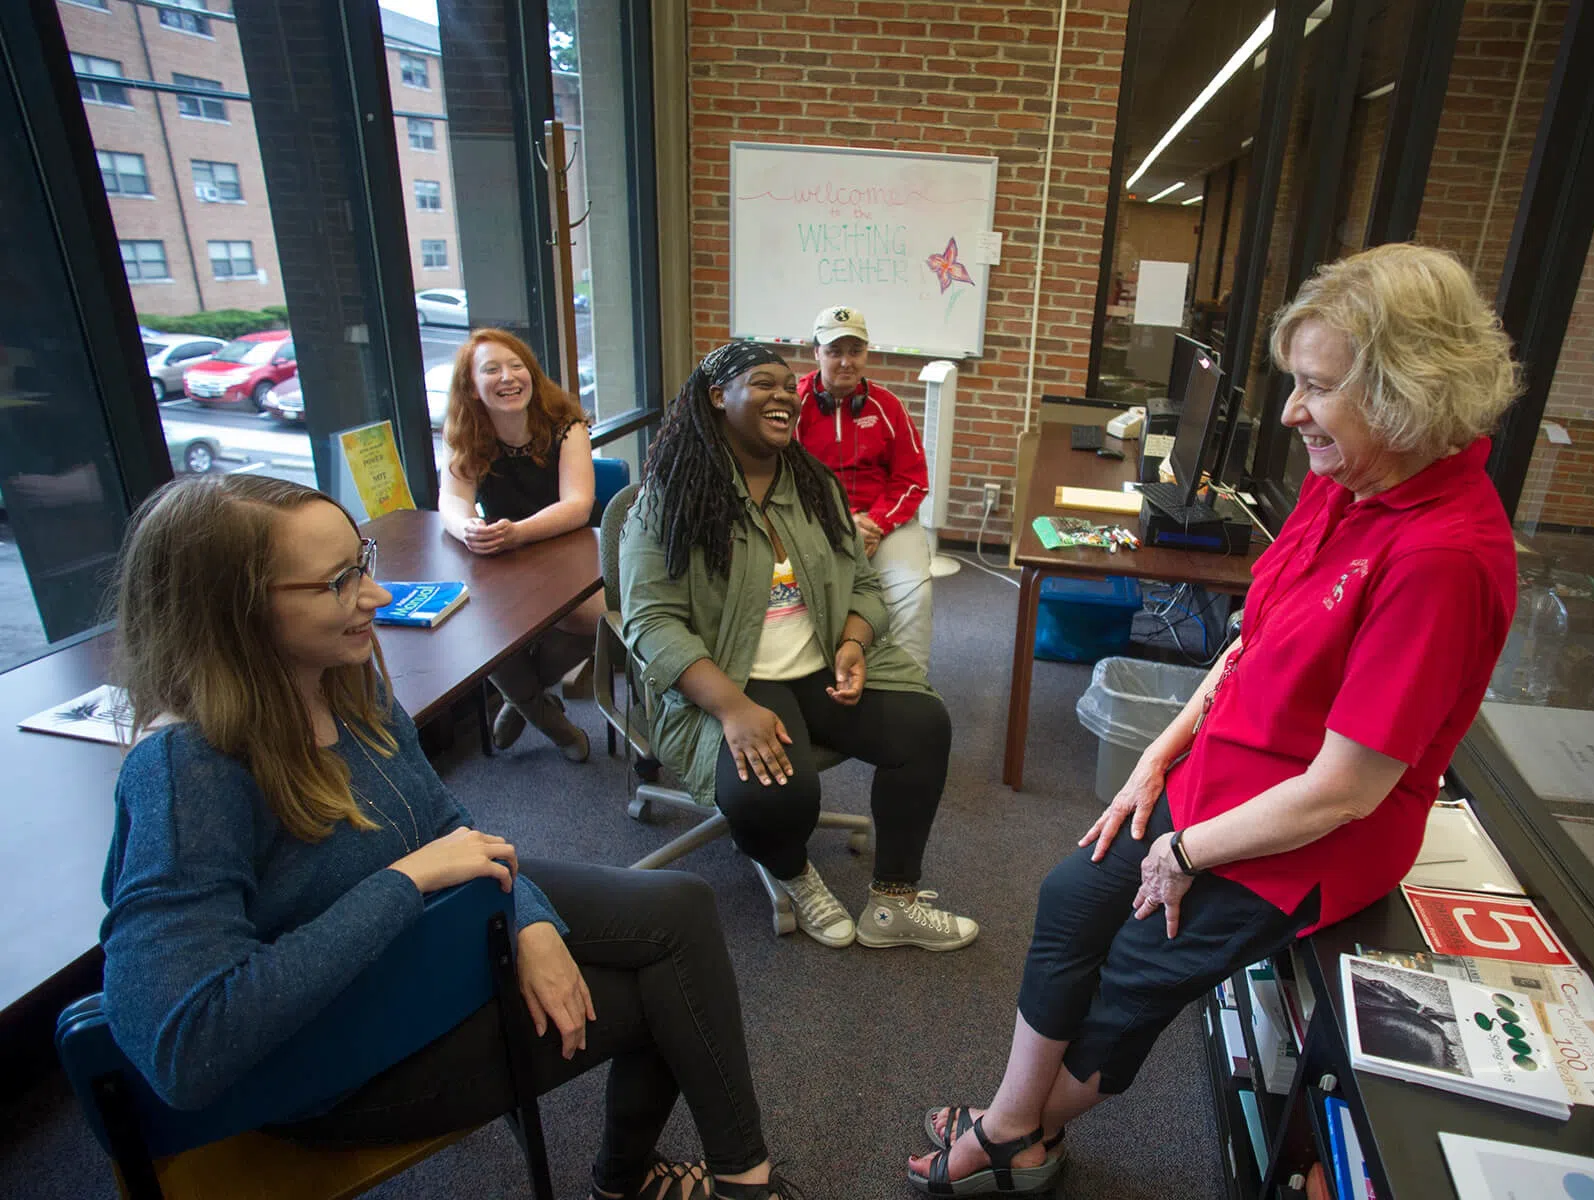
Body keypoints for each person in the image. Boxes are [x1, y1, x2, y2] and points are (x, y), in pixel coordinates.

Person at [905, 244, 1520, 1195]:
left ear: (1406, 394)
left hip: (1306, 834)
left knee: (1135, 974)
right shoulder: (1348, 479)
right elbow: (1247, 646)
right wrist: (1159, 754)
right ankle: (1021, 1130)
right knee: (1075, 895)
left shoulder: (1442, 557)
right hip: (1223, 777)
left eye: (1316, 388)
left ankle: (1002, 1134)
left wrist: (1187, 852)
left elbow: (1346, 789)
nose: (1290, 414)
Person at [100, 474, 800, 1200]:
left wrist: (527, 921)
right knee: (660, 995)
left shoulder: (345, 682)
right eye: (339, 583)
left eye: (362, 563)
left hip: (415, 943)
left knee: (680, 909)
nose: (373, 596)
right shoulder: (187, 773)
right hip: (334, 1061)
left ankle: (727, 1179)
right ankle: (655, 1183)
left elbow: (442, 826)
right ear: (231, 613)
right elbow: (185, 1050)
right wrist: (406, 884)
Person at [620, 340, 976, 952]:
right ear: (717, 398)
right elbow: (651, 622)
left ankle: (894, 903)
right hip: (730, 678)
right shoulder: (668, 502)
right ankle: (793, 871)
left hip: (818, 665)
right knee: (781, 795)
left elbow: (864, 584)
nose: (783, 395)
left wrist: (855, 642)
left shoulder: (816, 489)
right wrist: (732, 708)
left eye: (788, 385)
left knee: (924, 725)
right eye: (762, 383)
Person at [438, 328, 604, 760]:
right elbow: (452, 500)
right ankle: (553, 723)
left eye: (516, 367)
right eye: (491, 370)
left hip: (567, 551)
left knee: (595, 618)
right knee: (480, 631)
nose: (507, 377)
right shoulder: (468, 432)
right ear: (472, 387)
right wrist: (467, 529)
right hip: (502, 558)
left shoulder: (566, 424)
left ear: (531, 373)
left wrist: (517, 532)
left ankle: (522, 700)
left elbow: (578, 505)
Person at [796, 305, 936, 671]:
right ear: (816, 353)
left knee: (914, 597)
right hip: (815, 525)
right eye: (834, 351)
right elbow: (783, 481)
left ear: (866, 353)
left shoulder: (888, 406)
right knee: (811, 599)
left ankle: (907, 683)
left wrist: (875, 523)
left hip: (882, 525)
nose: (846, 362)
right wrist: (839, 522)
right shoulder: (793, 406)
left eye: (855, 351)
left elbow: (912, 478)